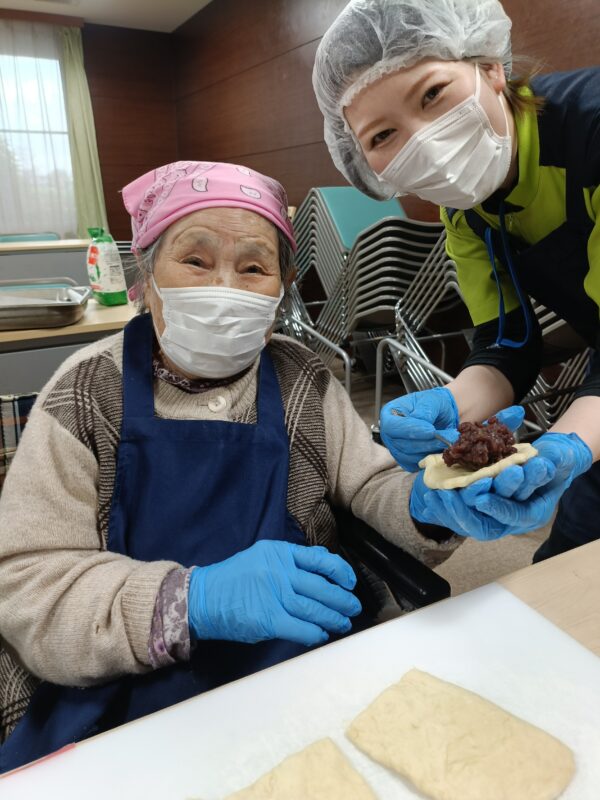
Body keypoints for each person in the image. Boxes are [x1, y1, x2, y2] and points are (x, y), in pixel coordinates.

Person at [0, 160, 468, 772]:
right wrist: (189, 601)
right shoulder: (85, 394)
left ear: (281, 290)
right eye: (195, 261)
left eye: (253, 268)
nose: (224, 287)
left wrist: (432, 501)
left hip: (296, 666)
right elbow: (30, 584)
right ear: (147, 274)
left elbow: (370, 486)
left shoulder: (302, 379)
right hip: (123, 697)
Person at [313, 0, 600, 560]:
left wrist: (570, 443)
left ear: (490, 67)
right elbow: (508, 342)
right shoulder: (468, 214)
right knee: (565, 561)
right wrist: (451, 404)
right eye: (382, 135)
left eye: (432, 94)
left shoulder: (590, 132)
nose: (424, 140)